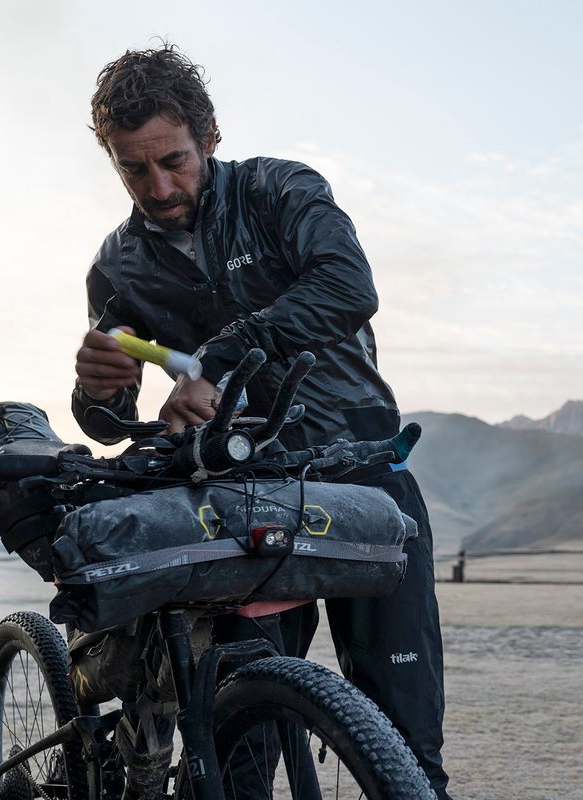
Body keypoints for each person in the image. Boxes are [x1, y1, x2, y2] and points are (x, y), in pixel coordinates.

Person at [71, 44, 449, 799]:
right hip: (236, 499)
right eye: (134, 169)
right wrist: (99, 391)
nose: (159, 186)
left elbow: (348, 286)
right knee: (236, 743)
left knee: (403, 743)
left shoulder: (279, 188)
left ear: (209, 135)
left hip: (362, 468)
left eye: (173, 160)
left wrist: (221, 352)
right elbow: (109, 424)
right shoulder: (119, 266)